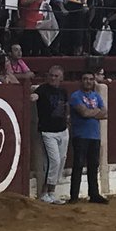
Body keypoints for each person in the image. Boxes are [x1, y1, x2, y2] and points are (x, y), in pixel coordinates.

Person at [69, 71, 108, 204]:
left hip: (94, 136)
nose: (88, 81)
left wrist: (91, 112)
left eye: (91, 79)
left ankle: (94, 194)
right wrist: (96, 112)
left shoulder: (96, 96)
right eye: (85, 79)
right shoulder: (75, 96)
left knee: (93, 165)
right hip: (80, 135)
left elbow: (105, 113)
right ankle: (74, 196)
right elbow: (84, 113)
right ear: (81, 81)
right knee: (78, 165)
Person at [33, 67, 70, 205]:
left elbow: (66, 107)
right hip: (48, 131)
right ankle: (45, 192)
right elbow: (35, 96)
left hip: (62, 130)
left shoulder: (63, 91)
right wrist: (32, 97)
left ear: (61, 78)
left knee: (61, 160)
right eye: (51, 75)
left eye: (56, 76)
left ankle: (52, 192)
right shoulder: (42, 89)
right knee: (54, 161)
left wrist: (67, 120)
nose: (53, 78)